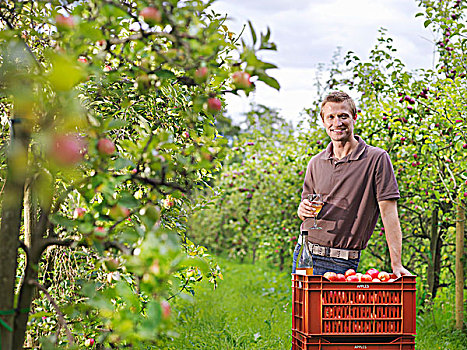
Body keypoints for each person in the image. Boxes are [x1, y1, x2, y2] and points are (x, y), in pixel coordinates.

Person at [294, 91, 410, 278]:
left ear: (354, 118)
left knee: (336, 308)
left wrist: (396, 264)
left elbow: (389, 213)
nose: (337, 123)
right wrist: (302, 210)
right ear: (323, 122)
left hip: (341, 261)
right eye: (330, 117)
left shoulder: (376, 159)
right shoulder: (315, 162)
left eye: (343, 116)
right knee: (303, 308)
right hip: (304, 254)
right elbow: (304, 211)